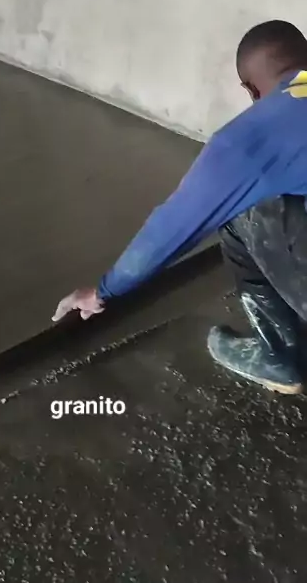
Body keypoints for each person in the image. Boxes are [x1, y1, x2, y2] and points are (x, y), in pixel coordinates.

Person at [52, 20, 307, 394]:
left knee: (245, 211)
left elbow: (173, 227)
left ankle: (279, 356)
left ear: (250, 89)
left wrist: (102, 291)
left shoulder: (248, 139)